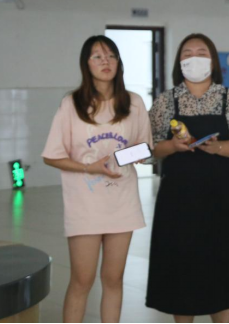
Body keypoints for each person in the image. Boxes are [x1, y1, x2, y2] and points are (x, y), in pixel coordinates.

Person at [42, 36, 153, 324]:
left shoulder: (134, 102)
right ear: (86, 64)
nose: (106, 62)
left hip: (122, 203)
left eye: (111, 56)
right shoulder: (72, 104)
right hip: (84, 205)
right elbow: (52, 156)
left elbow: (144, 149)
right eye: (97, 56)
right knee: (82, 280)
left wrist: (120, 158)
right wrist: (90, 167)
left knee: (113, 279)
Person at [146, 34, 229, 324]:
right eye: (187, 53)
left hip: (222, 202)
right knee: (182, 269)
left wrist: (217, 147)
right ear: (179, 62)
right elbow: (148, 148)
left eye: (201, 52)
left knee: (221, 267)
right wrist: (173, 146)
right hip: (177, 202)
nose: (194, 58)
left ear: (213, 61)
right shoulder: (165, 101)